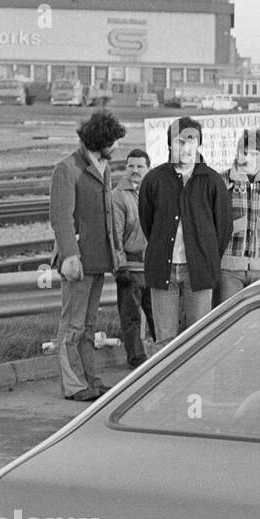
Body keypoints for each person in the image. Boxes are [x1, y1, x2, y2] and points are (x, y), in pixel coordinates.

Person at [49, 110, 126, 400]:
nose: (117, 145)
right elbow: (61, 218)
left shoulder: (103, 167)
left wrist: (114, 253)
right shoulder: (67, 168)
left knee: (88, 325)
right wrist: (70, 256)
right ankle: (74, 385)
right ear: (101, 140)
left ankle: (89, 379)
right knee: (73, 325)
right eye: (113, 140)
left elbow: (107, 217)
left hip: (97, 259)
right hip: (78, 260)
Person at [138, 116, 232, 346]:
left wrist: (205, 256)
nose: (185, 147)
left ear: (198, 144)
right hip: (162, 270)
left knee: (198, 340)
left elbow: (223, 228)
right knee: (164, 341)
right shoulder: (154, 180)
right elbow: (147, 223)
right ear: (170, 144)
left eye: (191, 141)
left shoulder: (212, 181)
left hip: (198, 271)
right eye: (180, 141)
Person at [217, 128, 260, 304]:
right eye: (244, 153)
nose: (247, 158)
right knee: (227, 318)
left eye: (254, 154)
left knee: (258, 320)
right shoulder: (222, 180)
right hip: (229, 269)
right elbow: (212, 219)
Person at [111, 148, 154, 368]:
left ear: (148, 168)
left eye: (139, 166)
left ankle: (162, 357)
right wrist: (120, 266)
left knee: (157, 315)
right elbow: (115, 234)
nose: (135, 170)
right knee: (131, 318)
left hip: (154, 266)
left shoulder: (154, 191)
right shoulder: (118, 195)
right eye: (131, 166)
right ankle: (137, 362)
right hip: (131, 266)